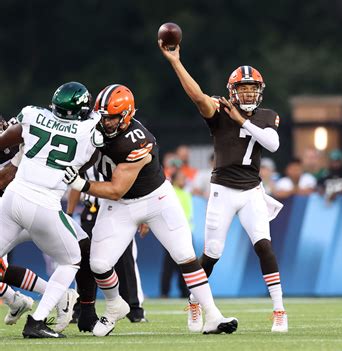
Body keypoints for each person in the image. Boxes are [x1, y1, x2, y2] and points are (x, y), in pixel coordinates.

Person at [63, 84, 237, 336]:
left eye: (112, 117)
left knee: (185, 256)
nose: (106, 122)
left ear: (126, 115)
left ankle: (212, 315)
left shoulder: (138, 141)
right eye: (102, 116)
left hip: (155, 200)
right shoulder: (95, 123)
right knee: (99, 264)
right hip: (119, 207)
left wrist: (80, 183)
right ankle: (114, 306)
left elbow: (116, 189)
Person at [160, 41, 288, 332]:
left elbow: (273, 143)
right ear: (233, 91)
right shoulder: (219, 111)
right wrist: (176, 62)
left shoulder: (265, 115)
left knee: (264, 246)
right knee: (213, 253)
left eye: (252, 88)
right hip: (223, 190)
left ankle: (279, 309)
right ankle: (195, 300)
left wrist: (242, 120)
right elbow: (196, 97)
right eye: (243, 89)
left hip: (253, 190)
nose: (248, 93)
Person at [0, 82, 100, 338]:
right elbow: (90, 158)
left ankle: (34, 306)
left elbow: (10, 136)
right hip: (43, 205)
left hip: (13, 197)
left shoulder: (34, 114)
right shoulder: (89, 129)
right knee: (72, 259)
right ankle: (37, 321)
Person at [67, 168, 148, 326]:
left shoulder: (118, 150)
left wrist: (142, 214)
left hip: (119, 210)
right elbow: (76, 183)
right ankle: (81, 308)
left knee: (126, 259)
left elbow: (135, 182)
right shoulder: (86, 153)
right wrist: (69, 215)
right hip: (91, 211)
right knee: (85, 260)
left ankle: (134, 308)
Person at [160, 169, 191, 298]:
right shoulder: (170, 193)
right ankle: (165, 292)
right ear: (175, 179)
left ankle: (184, 291)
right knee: (169, 266)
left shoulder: (185, 193)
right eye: (181, 177)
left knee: (184, 265)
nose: (184, 179)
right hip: (172, 233)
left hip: (185, 233)